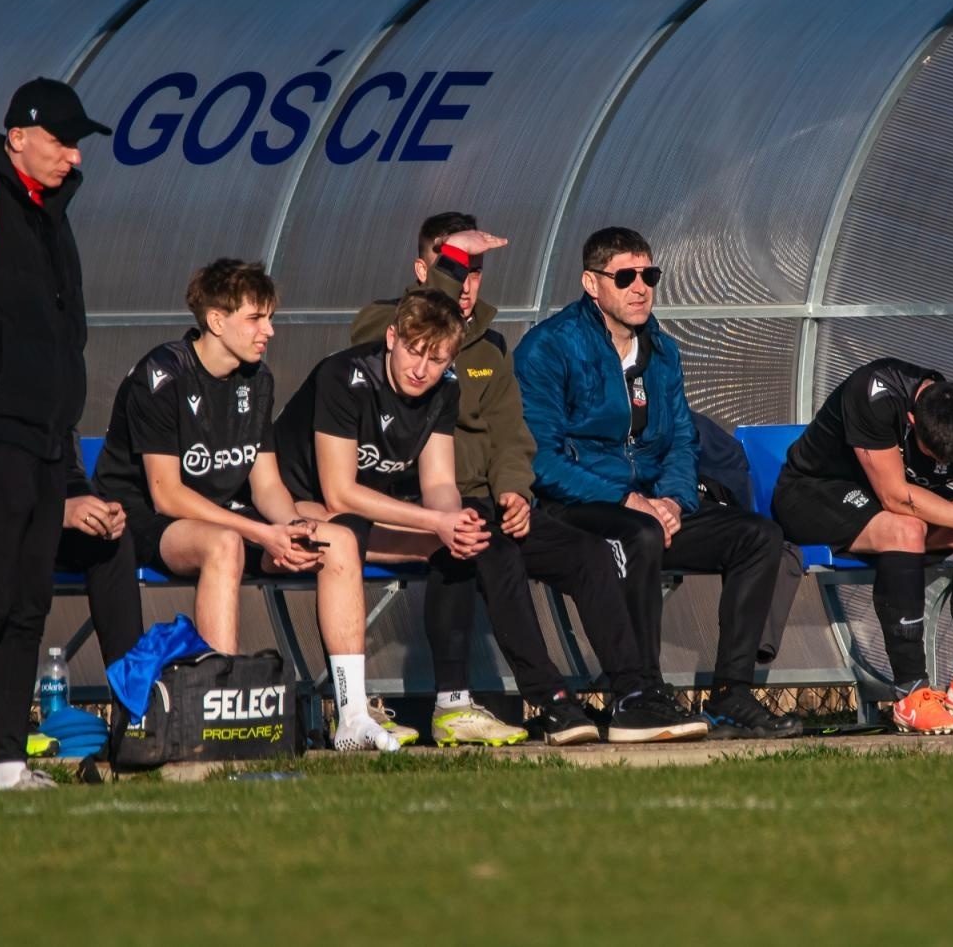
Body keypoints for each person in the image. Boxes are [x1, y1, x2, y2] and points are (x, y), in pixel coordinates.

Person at [351, 213, 706, 744]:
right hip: (412, 503)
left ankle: (634, 696)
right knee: (488, 549)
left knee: (586, 553)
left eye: (475, 272)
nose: (466, 285)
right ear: (425, 269)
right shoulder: (384, 325)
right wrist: (452, 267)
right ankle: (551, 700)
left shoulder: (489, 348)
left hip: (490, 502)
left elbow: (513, 435)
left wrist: (515, 489)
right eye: (456, 269)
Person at [0, 76, 133, 790]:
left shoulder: (51, 215)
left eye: (77, 145)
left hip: (43, 438)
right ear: (18, 138)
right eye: (62, 141)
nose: (73, 157)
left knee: (29, 603)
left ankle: (9, 761)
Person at [514, 226, 802, 739]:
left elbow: (681, 443)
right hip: (579, 505)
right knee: (638, 533)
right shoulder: (549, 348)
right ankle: (639, 693)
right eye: (624, 276)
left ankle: (732, 692)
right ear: (591, 283)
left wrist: (672, 498)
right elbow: (543, 462)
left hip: (651, 502)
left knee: (759, 537)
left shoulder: (663, 352)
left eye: (649, 275)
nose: (640, 287)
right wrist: (627, 499)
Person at [278, 289, 598, 746]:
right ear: (392, 337)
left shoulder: (445, 387)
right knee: (346, 537)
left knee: (463, 541)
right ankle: (351, 713)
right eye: (413, 351)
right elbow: (338, 492)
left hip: (365, 507)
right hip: (296, 502)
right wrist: (435, 522)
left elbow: (440, 483)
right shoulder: (344, 377)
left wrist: (455, 522)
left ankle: (452, 705)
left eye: (436, 359)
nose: (420, 369)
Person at [93, 261, 392, 750]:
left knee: (334, 538)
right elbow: (167, 493)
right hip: (146, 520)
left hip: (227, 512)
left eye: (269, 317)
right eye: (256, 319)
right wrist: (261, 534)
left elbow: (268, 485)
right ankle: (217, 716)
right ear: (216, 320)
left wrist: (289, 527)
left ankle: (353, 716)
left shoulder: (258, 379)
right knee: (226, 545)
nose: (269, 331)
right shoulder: (162, 375)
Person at [771, 359, 953, 733]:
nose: (941, 466)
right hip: (813, 492)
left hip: (886, 503)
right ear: (911, 422)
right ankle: (911, 694)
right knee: (910, 528)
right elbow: (895, 497)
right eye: (932, 457)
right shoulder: (876, 393)